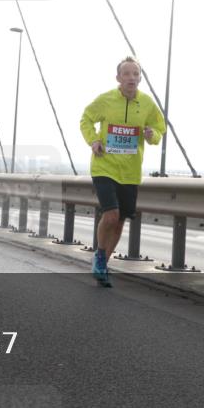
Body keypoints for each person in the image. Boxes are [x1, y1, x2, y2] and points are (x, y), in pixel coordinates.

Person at [80, 56, 166, 287]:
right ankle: (99, 254)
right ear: (118, 78)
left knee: (120, 222)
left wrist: (152, 135)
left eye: (135, 73)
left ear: (140, 78)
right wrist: (94, 140)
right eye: (126, 73)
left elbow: (160, 128)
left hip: (130, 171)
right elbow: (86, 119)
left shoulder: (147, 104)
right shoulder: (106, 100)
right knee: (111, 215)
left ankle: (102, 265)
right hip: (104, 166)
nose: (131, 77)